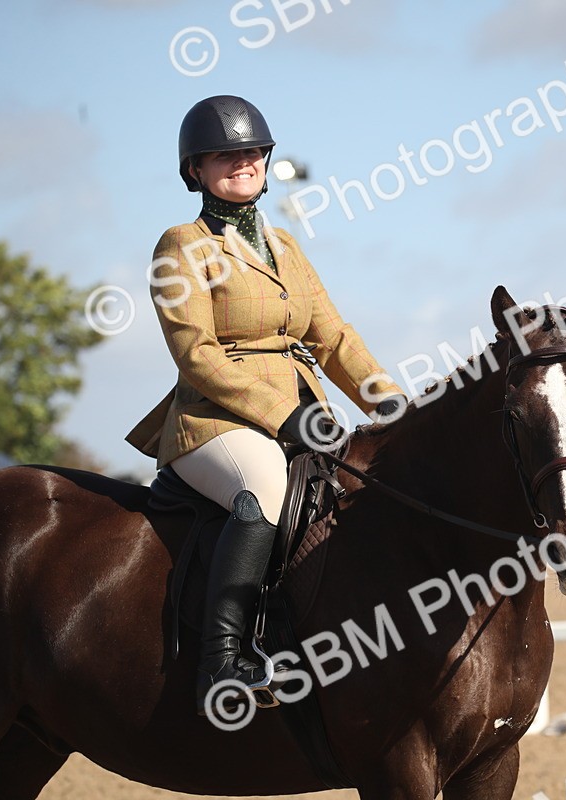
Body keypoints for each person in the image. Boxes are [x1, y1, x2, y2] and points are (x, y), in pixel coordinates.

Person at [125, 95, 406, 713]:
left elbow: (333, 338)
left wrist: (392, 405)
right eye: (225, 155)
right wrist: (282, 416)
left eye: (253, 151)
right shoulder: (181, 246)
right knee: (264, 488)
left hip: (304, 414)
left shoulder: (285, 246)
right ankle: (223, 662)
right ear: (195, 169)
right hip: (214, 422)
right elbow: (197, 354)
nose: (243, 162)